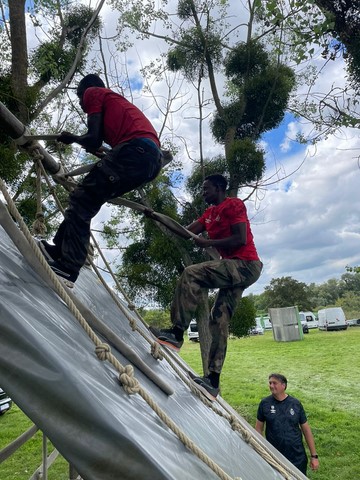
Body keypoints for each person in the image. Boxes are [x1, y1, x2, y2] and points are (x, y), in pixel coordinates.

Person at [38, 74, 162, 286]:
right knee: (88, 199)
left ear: (87, 89)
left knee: (83, 199)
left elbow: (93, 137)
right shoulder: (116, 108)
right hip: (148, 160)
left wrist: (73, 139)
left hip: (135, 150)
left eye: (79, 96)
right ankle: (59, 250)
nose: (81, 102)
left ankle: (68, 266)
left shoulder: (93, 92)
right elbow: (99, 142)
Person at [149, 174, 262, 400]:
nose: (203, 193)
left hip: (246, 266)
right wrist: (158, 217)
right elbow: (187, 232)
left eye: (206, 188)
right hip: (235, 270)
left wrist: (208, 243)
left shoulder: (233, 205)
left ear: (219, 188)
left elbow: (240, 239)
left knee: (192, 273)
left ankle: (176, 332)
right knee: (218, 319)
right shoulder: (209, 215)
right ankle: (212, 381)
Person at [255, 373, 320, 476]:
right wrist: (260, 450)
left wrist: (314, 456)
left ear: (283, 385)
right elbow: (258, 429)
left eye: (274, 383)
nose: (271, 386)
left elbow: (306, 429)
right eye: (270, 383)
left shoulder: (295, 404)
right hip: (274, 456)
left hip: (297, 457)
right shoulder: (265, 404)